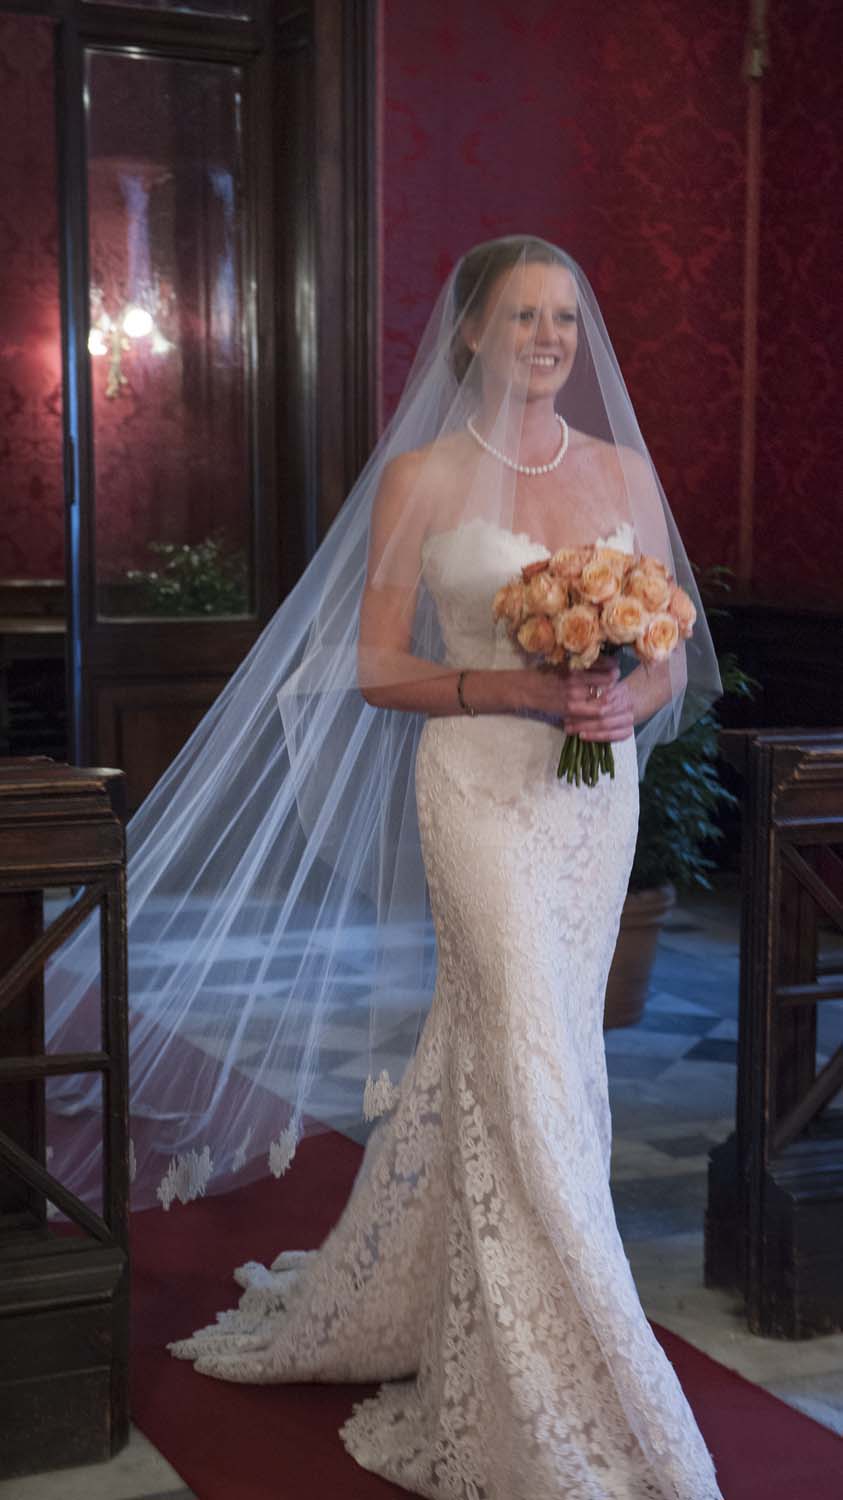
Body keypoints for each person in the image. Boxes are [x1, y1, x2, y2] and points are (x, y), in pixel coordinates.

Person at [160, 237, 726, 1499]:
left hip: (591, 800)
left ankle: (447, 1288)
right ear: (467, 332)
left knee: (544, 1052)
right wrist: (515, 682)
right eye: (522, 316)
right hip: (475, 784)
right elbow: (373, 668)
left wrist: (628, 699)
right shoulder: (420, 476)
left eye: (566, 319)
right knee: (522, 1038)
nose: (548, 339)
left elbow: (677, 648)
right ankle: (571, 1350)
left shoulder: (622, 470)